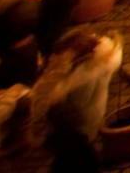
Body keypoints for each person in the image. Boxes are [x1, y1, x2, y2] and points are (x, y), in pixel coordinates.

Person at [32, 28, 120, 173]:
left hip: (78, 130)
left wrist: (56, 73)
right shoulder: (99, 63)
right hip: (88, 123)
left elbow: (43, 100)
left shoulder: (78, 81)